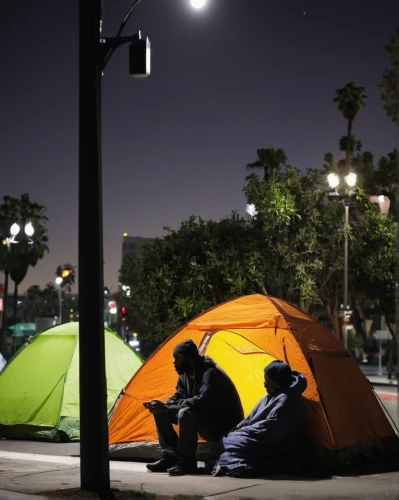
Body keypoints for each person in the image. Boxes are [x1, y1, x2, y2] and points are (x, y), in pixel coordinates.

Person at [144, 339, 244, 476]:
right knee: (160, 411)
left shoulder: (210, 372)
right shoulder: (185, 373)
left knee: (185, 413)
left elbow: (203, 401)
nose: (174, 363)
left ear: (188, 359)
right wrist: (163, 405)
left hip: (221, 424)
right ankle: (170, 456)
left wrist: (168, 407)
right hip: (203, 417)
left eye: (177, 359)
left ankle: (186, 463)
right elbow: (179, 394)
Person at [210, 360, 308, 478]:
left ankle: (234, 464)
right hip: (255, 434)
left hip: (270, 444)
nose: (264, 383)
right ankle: (226, 460)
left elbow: (271, 431)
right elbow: (251, 418)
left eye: (267, 381)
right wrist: (237, 429)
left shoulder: (287, 401)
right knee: (226, 438)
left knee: (233, 443)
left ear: (277, 382)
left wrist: (242, 432)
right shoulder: (272, 395)